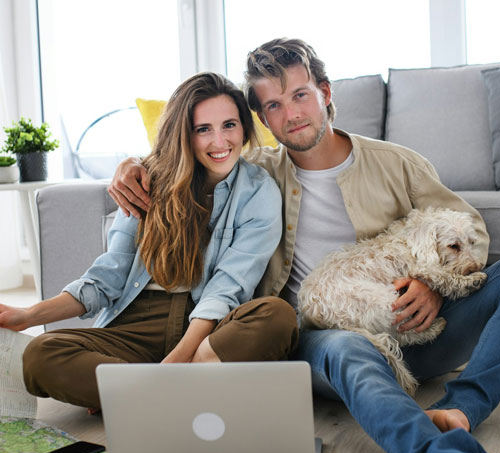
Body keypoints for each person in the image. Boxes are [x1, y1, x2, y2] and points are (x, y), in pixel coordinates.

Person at [107, 40, 500, 453]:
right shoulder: (254, 176)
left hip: (421, 326)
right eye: (273, 106)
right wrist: (131, 166)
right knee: (351, 351)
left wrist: (433, 284)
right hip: (325, 343)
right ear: (263, 118)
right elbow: (190, 158)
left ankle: (462, 407)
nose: (292, 114)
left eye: (300, 95)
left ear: (325, 93)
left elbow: (466, 226)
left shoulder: (398, 163)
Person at [0, 72, 298, 411]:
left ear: (244, 128)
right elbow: (106, 278)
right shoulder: (145, 180)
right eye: (203, 129)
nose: (220, 141)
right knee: (40, 355)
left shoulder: (259, 191)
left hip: (206, 328)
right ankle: (184, 393)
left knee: (277, 317)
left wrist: (178, 360)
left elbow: (228, 288)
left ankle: (136, 396)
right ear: (184, 134)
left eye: (229, 125)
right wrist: (28, 315)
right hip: (134, 324)